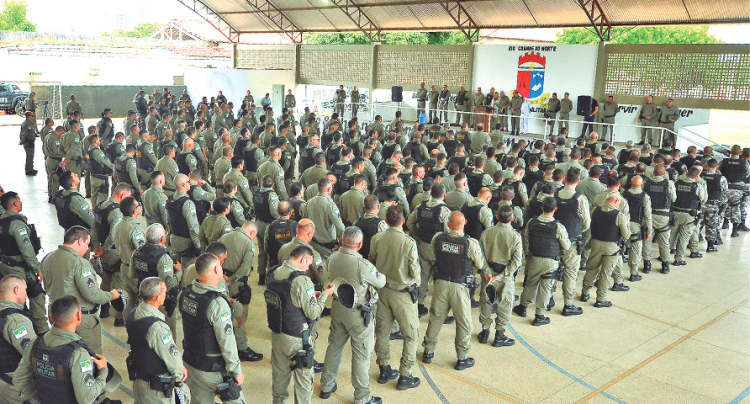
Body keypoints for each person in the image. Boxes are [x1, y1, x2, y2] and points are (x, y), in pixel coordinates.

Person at [319, 227, 386, 404]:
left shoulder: (332, 258)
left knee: (334, 346)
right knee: (361, 354)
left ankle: (326, 385)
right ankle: (362, 396)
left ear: (341, 240)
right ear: (360, 244)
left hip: (338, 308)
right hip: (358, 314)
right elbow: (380, 281)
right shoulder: (362, 265)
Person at [14, 296, 120, 404]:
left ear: (51, 317)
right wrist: (103, 371)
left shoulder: (36, 343)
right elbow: (86, 399)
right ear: (79, 316)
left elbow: (19, 379)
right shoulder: (78, 354)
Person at [266, 245, 332, 404]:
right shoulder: (302, 280)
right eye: (309, 263)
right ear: (303, 259)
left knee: (280, 378)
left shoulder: (275, 272)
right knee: (303, 384)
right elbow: (313, 313)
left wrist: (309, 296)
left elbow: (287, 299)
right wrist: (324, 295)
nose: (309, 267)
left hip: (278, 334)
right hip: (298, 339)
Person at [421, 212, 486, 370]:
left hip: (441, 284)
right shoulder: (470, 244)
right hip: (460, 287)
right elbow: (480, 264)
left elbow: (433, 255)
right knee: (464, 323)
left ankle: (428, 352)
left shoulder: (438, 238)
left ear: (448, 224)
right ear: (465, 223)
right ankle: (462, 357)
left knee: (436, 318)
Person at [179, 253, 246, 404]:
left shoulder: (186, 294)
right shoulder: (217, 303)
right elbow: (226, 341)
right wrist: (236, 371)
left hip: (192, 364)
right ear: (216, 270)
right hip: (213, 370)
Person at [370, 205, 422, 389]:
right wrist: (417, 281)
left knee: (382, 332)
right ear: (403, 220)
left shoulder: (377, 238)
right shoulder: (408, 242)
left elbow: (372, 261)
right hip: (402, 294)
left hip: (383, 291)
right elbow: (414, 270)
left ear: (385, 220)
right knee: (411, 334)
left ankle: (384, 368)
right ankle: (405, 374)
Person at [127, 277, 189, 404]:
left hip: (140, 381)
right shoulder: (157, 327)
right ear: (157, 297)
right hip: (155, 390)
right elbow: (172, 357)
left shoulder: (133, 314)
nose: (166, 295)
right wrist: (178, 377)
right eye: (164, 292)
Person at [514, 197, 570, 326]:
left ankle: (522, 307)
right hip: (551, 261)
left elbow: (527, 238)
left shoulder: (532, 222)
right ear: (555, 209)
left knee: (530, 284)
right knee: (546, 287)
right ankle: (539, 315)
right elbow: (566, 246)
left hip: (535, 259)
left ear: (542, 208)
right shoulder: (558, 227)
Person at [0, 192, 47, 334]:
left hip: (5, 265)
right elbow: (26, 249)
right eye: (19, 200)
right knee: (37, 295)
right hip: (21, 267)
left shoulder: (2, 221)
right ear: (15, 204)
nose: (21, 202)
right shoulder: (17, 225)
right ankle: (41, 330)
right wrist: (37, 268)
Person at [216, 222, 264, 362]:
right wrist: (232, 279)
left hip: (221, 280)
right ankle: (242, 348)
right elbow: (245, 267)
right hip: (236, 285)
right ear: (252, 233)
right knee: (240, 316)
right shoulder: (249, 244)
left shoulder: (224, 237)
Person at [477, 205, 519, 347]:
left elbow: (480, 255)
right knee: (505, 304)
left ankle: (484, 332)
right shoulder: (515, 236)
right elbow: (516, 261)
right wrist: (503, 275)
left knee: (486, 302)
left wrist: (487, 271)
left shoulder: (487, 233)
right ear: (512, 218)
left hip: (488, 274)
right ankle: (499, 335)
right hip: (505, 276)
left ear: (496, 217)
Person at [406, 183, 451, 316]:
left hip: (423, 246)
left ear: (430, 193)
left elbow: (409, 222)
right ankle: (439, 311)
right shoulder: (445, 211)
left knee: (423, 276)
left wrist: (417, 236)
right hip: (439, 250)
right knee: (441, 280)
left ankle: (419, 304)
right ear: (444, 195)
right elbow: (448, 232)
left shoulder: (420, 207)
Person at [130, 224, 183, 334]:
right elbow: (168, 284)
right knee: (167, 332)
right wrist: (179, 272)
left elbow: (132, 275)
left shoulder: (137, 252)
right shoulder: (164, 258)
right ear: (162, 239)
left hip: (143, 299)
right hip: (162, 302)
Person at [581, 192, 631, 306]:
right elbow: (626, 234)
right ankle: (601, 299)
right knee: (605, 273)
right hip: (611, 248)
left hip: (595, 244)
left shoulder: (595, 210)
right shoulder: (618, 215)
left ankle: (585, 293)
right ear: (616, 201)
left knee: (592, 270)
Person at [0, 276, 37, 403]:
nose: (26, 294)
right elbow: (33, 354)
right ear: (16, 290)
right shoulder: (16, 321)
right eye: (25, 290)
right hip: (13, 387)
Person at [672, 167, 707, 266]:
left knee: (670, 235)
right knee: (684, 238)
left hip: (675, 212)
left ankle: (663, 257)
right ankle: (678, 259)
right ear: (696, 177)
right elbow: (703, 199)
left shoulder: (677, 183)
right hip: (689, 215)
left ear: (686, 174)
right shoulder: (698, 186)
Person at [302, 178, 346, 258]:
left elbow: (304, 223)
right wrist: (341, 243)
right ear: (329, 189)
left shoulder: (308, 203)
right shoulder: (330, 205)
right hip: (327, 248)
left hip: (313, 244)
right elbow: (340, 227)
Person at [622, 176, 653, 281]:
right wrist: (649, 231)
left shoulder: (623, 194)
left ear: (631, 183)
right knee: (635, 250)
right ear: (641, 184)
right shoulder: (644, 197)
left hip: (622, 225)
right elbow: (648, 215)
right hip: (636, 226)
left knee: (619, 249)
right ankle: (633, 273)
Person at [167, 175, 201, 268]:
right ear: (183, 185)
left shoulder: (170, 200)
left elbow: (168, 220)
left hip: (174, 238)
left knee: (177, 267)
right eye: (188, 182)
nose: (190, 183)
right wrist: (198, 247)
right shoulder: (187, 203)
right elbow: (193, 227)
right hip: (186, 242)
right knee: (187, 269)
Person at [44, 126, 66, 202]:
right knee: (55, 179)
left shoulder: (48, 135)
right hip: (54, 160)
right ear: (59, 131)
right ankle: (54, 197)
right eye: (62, 133)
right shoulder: (54, 139)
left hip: (48, 159)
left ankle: (50, 195)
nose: (62, 135)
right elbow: (57, 151)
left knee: (50, 178)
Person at [19, 112, 38, 176]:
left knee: (31, 156)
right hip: (28, 142)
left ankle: (31, 168)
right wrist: (22, 141)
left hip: (31, 141)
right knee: (29, 156)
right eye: (32, 116)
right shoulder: (27, 124)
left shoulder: (30, 123)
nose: (33, 117)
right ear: (28, 116)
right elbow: (24, 133)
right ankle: (28, 170)